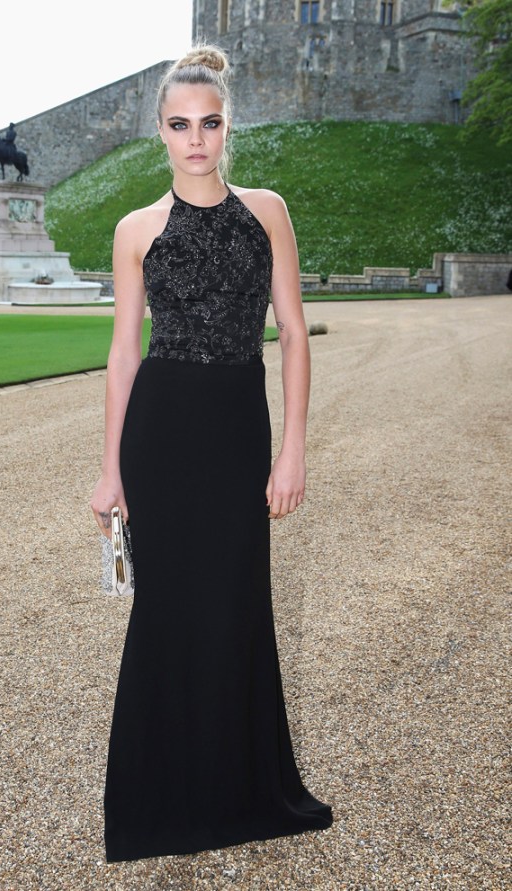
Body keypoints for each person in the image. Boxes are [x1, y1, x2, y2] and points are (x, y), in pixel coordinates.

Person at [91, 43, 333, 863]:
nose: (195, 139)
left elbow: (293, 334)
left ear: (230, 126)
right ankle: (157, 804)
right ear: (159, 132)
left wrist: (293, 449)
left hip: (236, 429)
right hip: (160, 433)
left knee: (235, 604)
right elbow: (124, 354)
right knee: (165, 610)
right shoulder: (135, 229)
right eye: (179, 125)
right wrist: (110, 468)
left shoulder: (267, 211)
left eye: (210, 123)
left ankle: (239, 792)